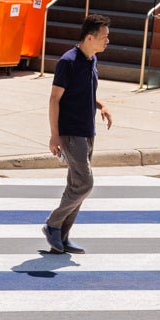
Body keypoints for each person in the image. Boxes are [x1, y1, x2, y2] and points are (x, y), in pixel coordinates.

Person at [43, 16, 111, 255]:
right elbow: (54, 99)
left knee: (75, 184)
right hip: (71, 133)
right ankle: (52, 223)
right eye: (104, 37)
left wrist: (101, 105)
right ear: (89, 37)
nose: (107, 41)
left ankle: (61, 236)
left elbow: (83, 93)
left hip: (87, 130)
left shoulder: (91, 60)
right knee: (85, 184)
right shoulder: (68, 61)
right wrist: (54, 135)